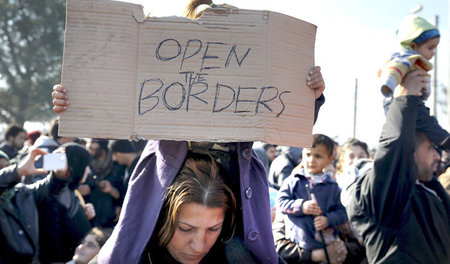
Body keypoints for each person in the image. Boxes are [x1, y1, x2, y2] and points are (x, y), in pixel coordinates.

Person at [52, 1, 327, 263]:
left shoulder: (247, 90)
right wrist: (75, 99)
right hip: (166, 196)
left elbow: (284, 116)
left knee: (241, 255)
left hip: (229, 204)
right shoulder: (162, 78)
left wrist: (310, 93)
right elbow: (115, 97)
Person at [347, 70, 450, 263]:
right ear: (410, 150)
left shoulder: (432, 191)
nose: (438, 156)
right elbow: (396, 146)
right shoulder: (383, 193)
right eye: (430, 148)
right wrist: (405, 99)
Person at [377, 15, 449, 149]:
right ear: (413, 45)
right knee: (424, 121)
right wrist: (388, 85)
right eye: (430, 48)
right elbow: (394, 70)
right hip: (398, 101)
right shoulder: (405, 57)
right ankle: (444, 140)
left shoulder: (416, 62)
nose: (433, 53)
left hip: (410, 102)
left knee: (421, 123)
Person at [276, 134, 347, 251]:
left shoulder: (333, 187)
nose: (311, 160)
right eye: (308, 154)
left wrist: (328, 220)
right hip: (296, 245)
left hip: (324, 247)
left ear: (330, 159)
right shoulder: (293, 180)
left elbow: (343, 213)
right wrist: (301, 206)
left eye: (318, 156)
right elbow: (280, 203)